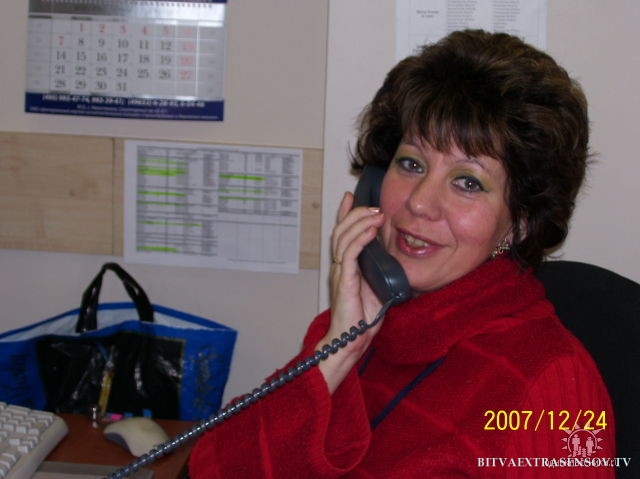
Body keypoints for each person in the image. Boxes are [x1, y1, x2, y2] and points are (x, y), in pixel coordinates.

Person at [189, 30, 615, 478]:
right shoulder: (352, 324)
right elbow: (212, 468)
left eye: (468, 182)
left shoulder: (549, 387)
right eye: (411, 164)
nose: (419, 202)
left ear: (521, 220)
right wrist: (337, 350)